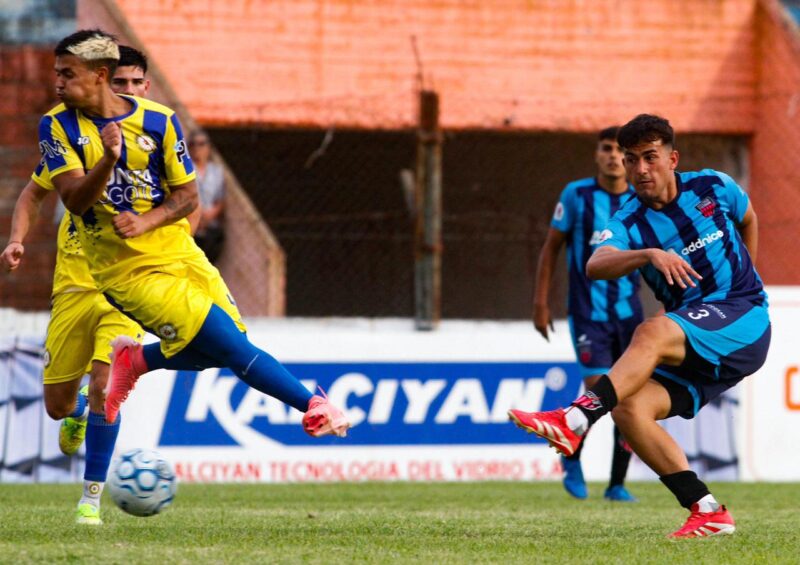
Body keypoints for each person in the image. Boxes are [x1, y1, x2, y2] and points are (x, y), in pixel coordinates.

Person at [39, 30, 347, 459]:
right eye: (57, 74)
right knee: (231, 346)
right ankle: (312, 404)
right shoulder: (57, 126)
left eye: (66, 74)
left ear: (97, 75)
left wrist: (147, 219)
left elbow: (188, 198)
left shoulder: (159, 121)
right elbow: (73, 198)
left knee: (220, 347)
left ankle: (138, 362)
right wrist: (108, 160)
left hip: (179, 254)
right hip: (128, 273)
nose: (57, 83)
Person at [510, 114, 770, 538]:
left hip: (743, 317)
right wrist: (649, 254)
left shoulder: (713, 186)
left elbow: (749, 217)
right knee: (630, 408)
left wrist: (746, 281)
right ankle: (707, 510)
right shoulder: (628, 218)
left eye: (650, 158)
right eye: (632, 160)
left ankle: (575, 420)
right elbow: (596, 264)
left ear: (673, 158)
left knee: (651, 330)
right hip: (698, 342)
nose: (640, 169)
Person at [1, 45, 173, 526]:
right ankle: (76, 409)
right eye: (119, 83)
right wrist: (17, 240)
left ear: (146, 88)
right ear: (103, 82)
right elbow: (33, 196)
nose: (127, 92)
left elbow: (187, 204)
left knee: (105, 385)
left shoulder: (157, 144)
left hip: (126, 288)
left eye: (136, 84)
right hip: (75, 285)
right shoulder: (71, 139)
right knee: (59, 406)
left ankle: (90, 501)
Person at [532, 126, 639, 502]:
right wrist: (541, 303)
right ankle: (572, 458)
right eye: (606, 148)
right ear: (597, 154)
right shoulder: (576, 195)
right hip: (587, 315)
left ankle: (617, 484)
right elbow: (551, 248)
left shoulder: (640, 201)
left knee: (628, 399)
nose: (612, 156)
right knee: (600, 392)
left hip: (630, 315)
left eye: (618, 150)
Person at [188, 130, 226, 263]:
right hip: (192, 224)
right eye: (193, 144)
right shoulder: (185, 169)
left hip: (211, 225)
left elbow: (220, 199)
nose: (197, 148)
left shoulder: (216, 171)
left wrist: (210, 215)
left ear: (208, 147)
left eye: (201, 144)